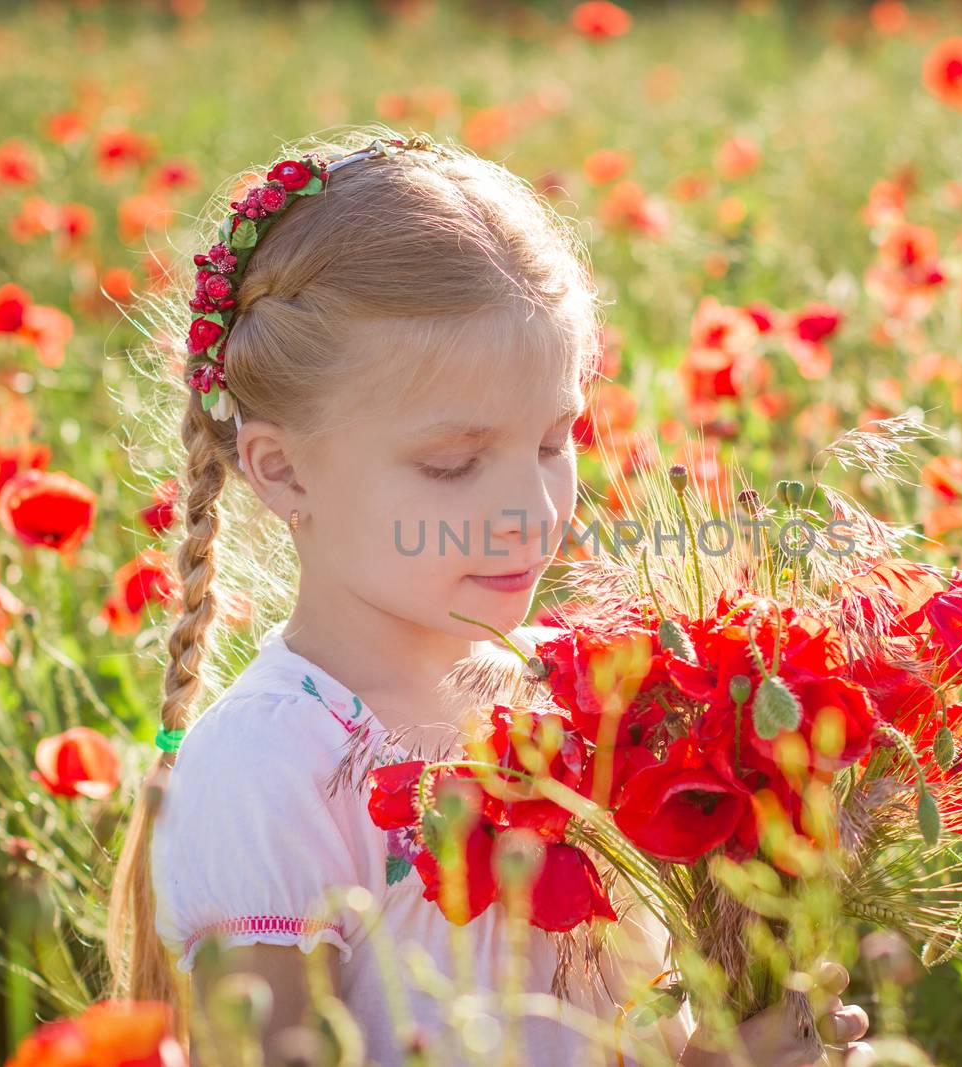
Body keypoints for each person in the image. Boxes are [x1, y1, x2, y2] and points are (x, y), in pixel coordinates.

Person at [105, 126, 870, 1067]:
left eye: (555, 440)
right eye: (453, 463)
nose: (529, 510)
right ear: (283, 470)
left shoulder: (579, 691)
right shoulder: (272, 763)